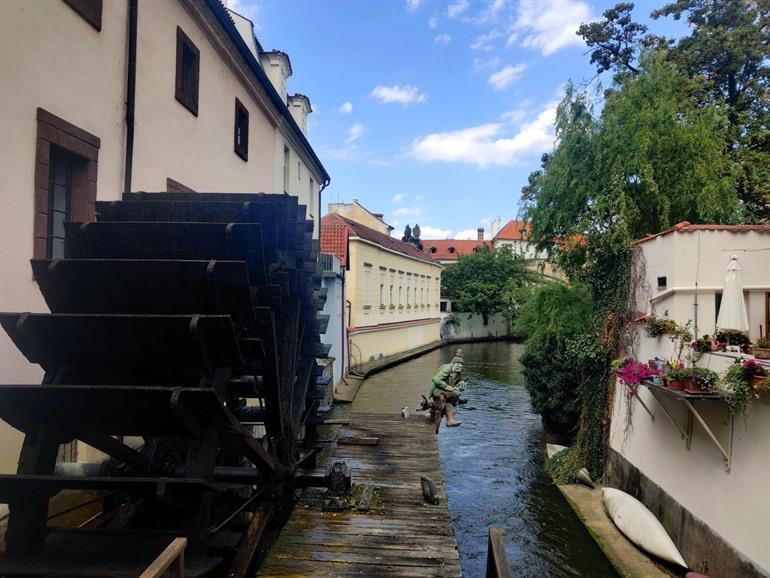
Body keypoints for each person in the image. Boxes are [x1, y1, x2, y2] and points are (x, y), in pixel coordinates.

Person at [429, 361, 463, 427]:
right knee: (456, 393)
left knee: (448, 404)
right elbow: (435, 379)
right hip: (436, 390)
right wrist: (446, 386)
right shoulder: (447, 369)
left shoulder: (455, 374)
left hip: (442, 392)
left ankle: (450, 421)